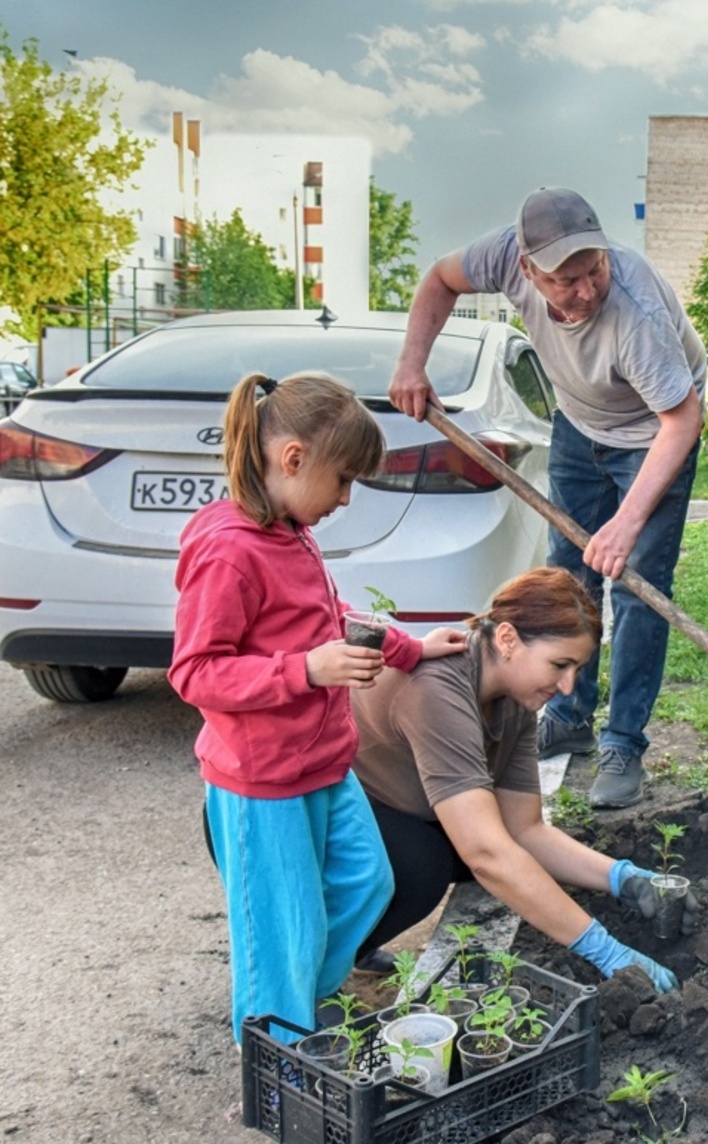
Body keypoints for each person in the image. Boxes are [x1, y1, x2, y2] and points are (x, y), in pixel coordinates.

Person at [170, 372, 467, 1043]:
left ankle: (298, 998)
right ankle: (277, 1052)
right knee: (283, 933)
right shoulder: (228, 550)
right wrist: (304, 669)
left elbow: (329, 614)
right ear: (294, 458)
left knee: (367, 884)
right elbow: (195, 672)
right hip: (262, 783)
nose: (346, 497)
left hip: (323, 767)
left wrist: (409, 648)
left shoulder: (289, 529)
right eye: (343, 480)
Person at [390, 188, 706, 810]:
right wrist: (411, 364)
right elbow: (440, 280)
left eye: (595, 270)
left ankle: (623, 742)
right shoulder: (502, 255)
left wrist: (626, 523)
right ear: (528, 270)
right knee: (568, 577)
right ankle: (569, 714)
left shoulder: (635, 314)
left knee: (638, 585)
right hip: (579, 425)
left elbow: (682, 420)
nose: (586, 290)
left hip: (654, 434)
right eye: (567, 280)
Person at [350, 567, 687, 993]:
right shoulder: (437, 689)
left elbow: (524, 829)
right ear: (507, 639)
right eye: (560, 665)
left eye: (577, 669)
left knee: (490, 847)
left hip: (408, 805)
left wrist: (624, 878)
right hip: (342, 814)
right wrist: (604, 950)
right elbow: (486, 854)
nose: (568, 686)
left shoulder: (514, 697)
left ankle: (355, 942)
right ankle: (325, 962)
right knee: (426, 865)